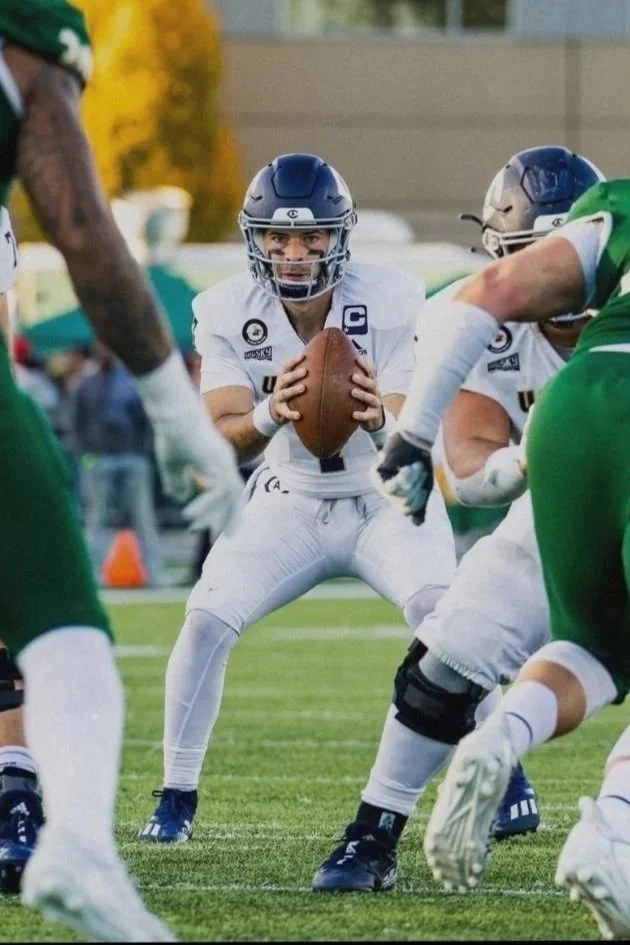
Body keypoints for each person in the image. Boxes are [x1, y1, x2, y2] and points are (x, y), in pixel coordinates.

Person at [0, 0, 243, 939]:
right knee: (65, 635)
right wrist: (180, 416)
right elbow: (86, 231)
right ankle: (80, 852)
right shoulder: (29, 43)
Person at [135, 151, 458, 844]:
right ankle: (175, 794)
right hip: (288, 492)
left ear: (340, 236)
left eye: (311, 235)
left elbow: (410, 428)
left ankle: (500, 776)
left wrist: (379, 420)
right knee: (205, 620)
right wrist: (267, 414)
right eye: (278, 237)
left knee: (449, 617)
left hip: (383, 493)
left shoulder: (398, 296)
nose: (293, 251)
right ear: (255, 239)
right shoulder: (221, 308)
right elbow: (220, 438)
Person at [311, 146, 604, 892]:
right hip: (562, 507)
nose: (551, 276)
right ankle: (374, 828)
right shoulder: (473, 321)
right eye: (528, 255)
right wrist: (529, 461)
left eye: (558, 251)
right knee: (445, 663)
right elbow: (471, 469)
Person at [373, 173, 630, 939]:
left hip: (572, 413)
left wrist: (411, 432)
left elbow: (486, 289)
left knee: (599, 650)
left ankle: (502, 732)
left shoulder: (619, 204)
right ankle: (613, 832)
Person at [74, 341, 165, 588]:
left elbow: (148, 420)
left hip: (131, 456)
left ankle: (155, 573)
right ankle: (91, 576)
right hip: (100, 458)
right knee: (97, 518)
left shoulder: (132, 384)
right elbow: (78, 422)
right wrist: (87, 452)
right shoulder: (87, 385)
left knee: (143, 516)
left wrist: (142, 451)